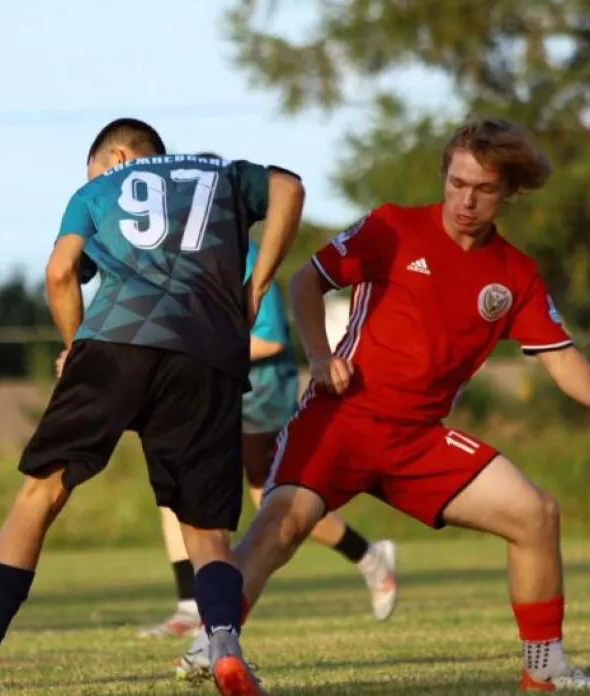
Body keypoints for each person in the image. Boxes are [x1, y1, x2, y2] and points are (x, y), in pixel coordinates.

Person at [173, 117, 590, 692]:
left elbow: (559, 354)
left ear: (508, 192)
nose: (466, 200)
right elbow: (306, 281)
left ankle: (545, 668)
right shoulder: (392, 226)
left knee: (536, 514)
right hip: (340, 417)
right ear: (444, 175)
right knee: (281, 525)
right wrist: (320, 356)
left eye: (483, 189)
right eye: (457, 183)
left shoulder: (514, 275)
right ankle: (212, 645)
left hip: (418, 438)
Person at [0, 119, 305, 696]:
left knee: (40, 494)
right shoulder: (220, 175)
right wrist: (257, 286)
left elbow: (60, 273)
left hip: (117, 341)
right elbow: (289, 187)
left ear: (117, 157)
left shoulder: (98, 190)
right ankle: (225, 648)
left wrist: (75, 348)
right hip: (206, 353)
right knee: (206, 530)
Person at [137, 168, 398, 640]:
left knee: (271, 504)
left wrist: (197, 350)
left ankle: (368, 555)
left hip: (259, 395)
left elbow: (271, 339)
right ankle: (191, 605)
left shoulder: (245, 256)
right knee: (177, 491)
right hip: (212, 392)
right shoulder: (181, 259)